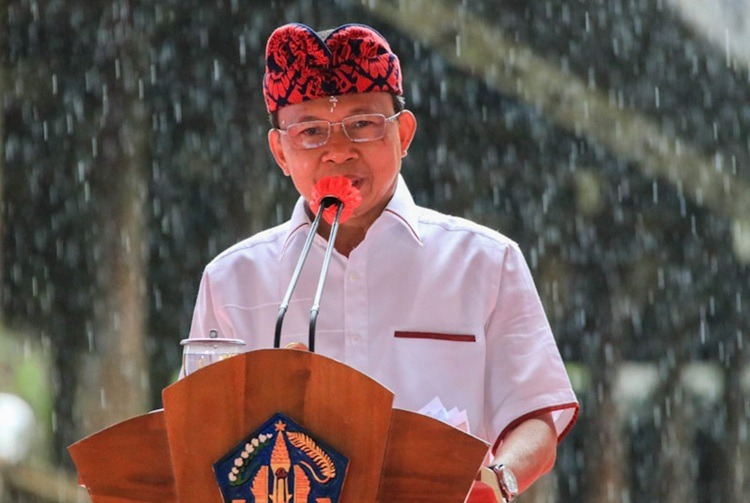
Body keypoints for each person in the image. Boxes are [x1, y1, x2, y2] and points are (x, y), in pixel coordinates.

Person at [187, 22, 579, 501]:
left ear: (404, 134)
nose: (338, 152)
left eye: (363, 125)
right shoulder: (231, 281)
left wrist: (498, 481)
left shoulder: (487, 263)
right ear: (280, 153)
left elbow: (534, 417)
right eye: (310, 132)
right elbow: (197, 437)